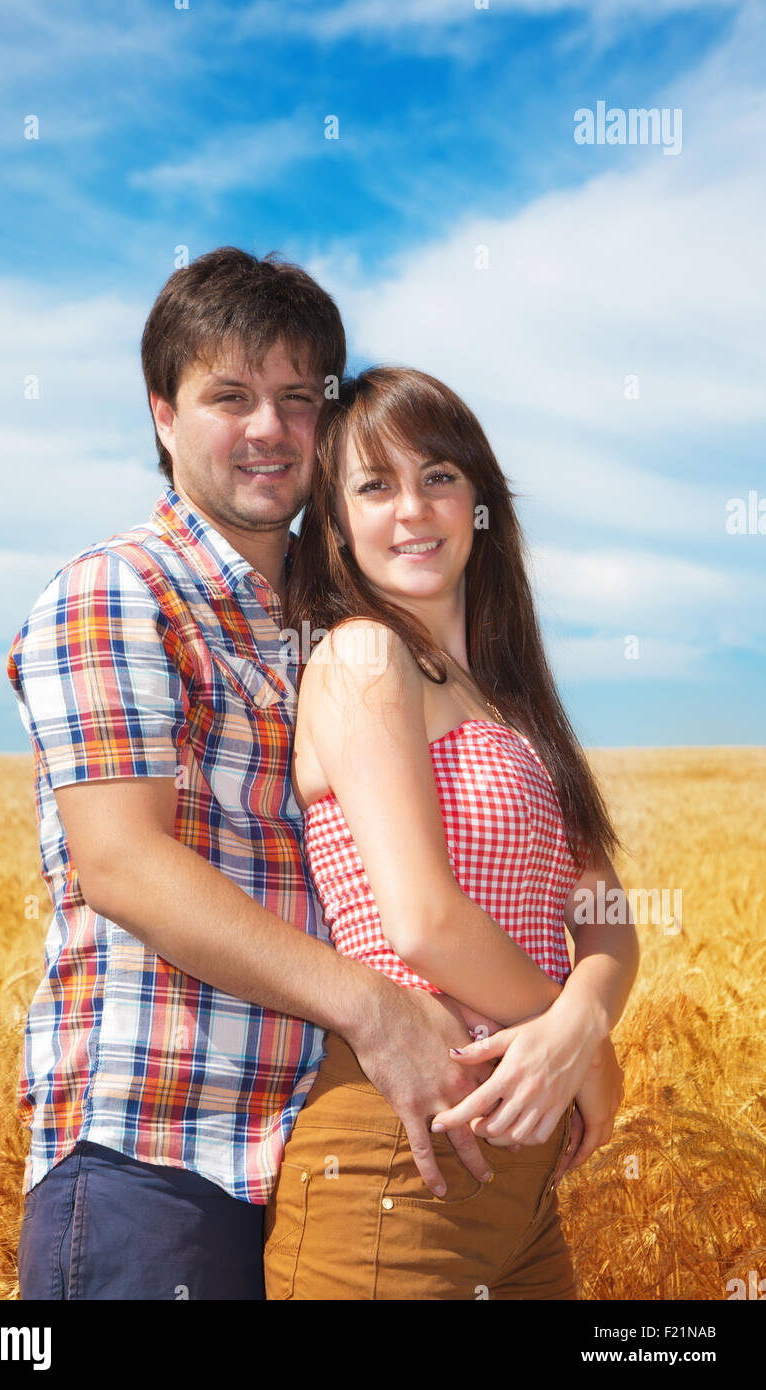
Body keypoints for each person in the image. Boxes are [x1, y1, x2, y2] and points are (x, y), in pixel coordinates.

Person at [6, 248, 504, 1301]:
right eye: (228, 396)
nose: (267, 428)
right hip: (154, 1159)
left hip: (323, 1150)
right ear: (161, 416)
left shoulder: (337, 630)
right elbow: (124, 863)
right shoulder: (119, 591)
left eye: (295, 398)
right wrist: (372, 1008)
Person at [263, 366, 637, 1300]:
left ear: (480, 501)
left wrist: (583, 1024)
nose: (413, 510)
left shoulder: (514, 706)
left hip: (523, 1174)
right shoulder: (359, 655)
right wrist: (574, 1038)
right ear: (336, 523)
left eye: (438, 476)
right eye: (373, 486)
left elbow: (604, 913)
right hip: (402, 1150)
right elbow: (423, 919)